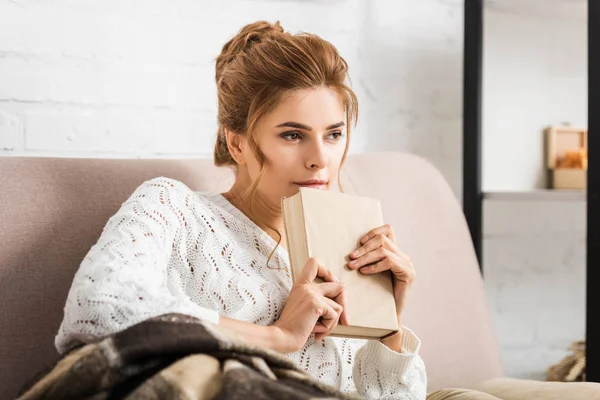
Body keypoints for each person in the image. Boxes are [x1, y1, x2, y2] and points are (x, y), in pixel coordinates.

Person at [56, 20, 429, 399]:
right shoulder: (175, 207)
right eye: (292, 135)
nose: (321, 159)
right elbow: (99, 305)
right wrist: (276, 336)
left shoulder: (349, 244)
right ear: (237, 145)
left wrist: (388, 325)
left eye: (333, 134)